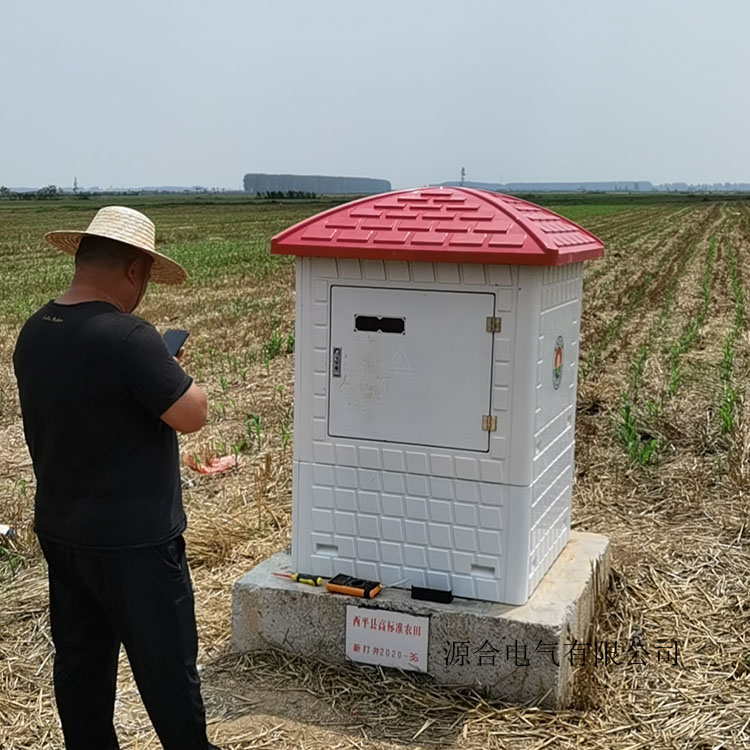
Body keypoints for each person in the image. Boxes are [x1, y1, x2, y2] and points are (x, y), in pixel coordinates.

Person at [13, 206, 220, 750]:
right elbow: (192, 414)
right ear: (134, 271)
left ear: (80, 259)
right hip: (135, 544)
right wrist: (171, 370)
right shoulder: (129, 338)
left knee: (81, 669)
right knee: (168, 674)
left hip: (63, 532)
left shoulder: (35, 330)